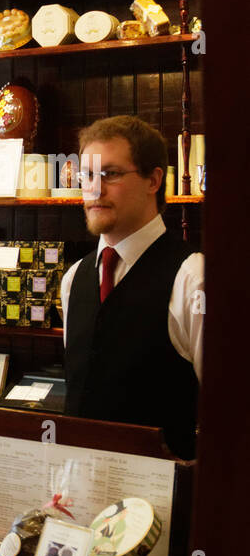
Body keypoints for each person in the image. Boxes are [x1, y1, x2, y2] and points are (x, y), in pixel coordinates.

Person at [60, 116, 203, 459]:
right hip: (77, 499)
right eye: (88, 176)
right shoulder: (73, 279)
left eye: (110, 174)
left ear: (154, 180)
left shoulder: (192, 278)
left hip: (162, 504)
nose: (94, 190)